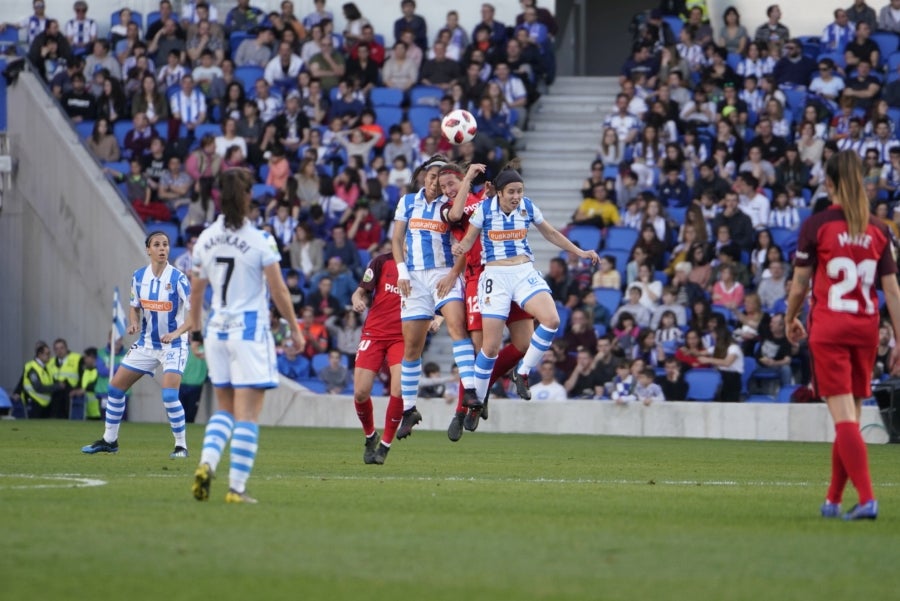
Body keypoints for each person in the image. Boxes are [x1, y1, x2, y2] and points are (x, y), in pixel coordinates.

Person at [786, 150, 900, 521]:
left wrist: (790, 317)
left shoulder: (817, 225)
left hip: (830, 328)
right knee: (848, 413)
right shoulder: (879, 229)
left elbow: (801, 284)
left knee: (844, 419)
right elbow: (893, 291)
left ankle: (867, 499)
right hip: (866, 330)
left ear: (829, 182)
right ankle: (833, 501)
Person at [190, 169, 303, 504]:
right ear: (247, 196)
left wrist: (196, 334)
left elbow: (196, 294)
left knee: (223, 409)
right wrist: (295, 327)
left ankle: (206, 464)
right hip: (249, 332)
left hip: (216, 332)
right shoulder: (260, 239)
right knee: (249, 414)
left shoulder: (205, 239)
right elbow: (279, 288)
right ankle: (236, 488)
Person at [452, 164, 600, 408]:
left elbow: (551, 233)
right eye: (511, 191)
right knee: (489, 349)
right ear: (499, 192)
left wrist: (580, 252)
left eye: (519, 191)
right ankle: (475, 400)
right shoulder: (484, 209)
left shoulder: (527, 207)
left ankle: (522, 372)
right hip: (495, 276)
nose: (516, 196)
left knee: (551, 320)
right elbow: (468, 240)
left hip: (523, 272)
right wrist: (460, 249)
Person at [441, 163, 533, 438]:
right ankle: (461, 410)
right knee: (482, 350)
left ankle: (483, 389)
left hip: (509, 270)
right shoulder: (450, 209)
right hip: (478, 278)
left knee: (523, 343)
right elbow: (462, 229)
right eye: (444, 186)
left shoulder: (487, 199)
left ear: (463, 179)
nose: (448, 189)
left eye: (452, 183)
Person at [81, 232, 193, 457]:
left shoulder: (179, 278)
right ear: (148, 250)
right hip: (147, 344)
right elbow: (134, 306)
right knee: (115, 387)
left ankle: (181, 446)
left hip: (174, 345)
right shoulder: (139, 277)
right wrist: (133, 323)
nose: (162, 248)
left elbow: (194, 315)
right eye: (157, 245)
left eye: (166, 244)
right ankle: (109, 441)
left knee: (170, 395)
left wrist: (176, 333)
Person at [391, 156, 476, 439]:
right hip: (413, 278)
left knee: (456, 327)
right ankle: (409, 409)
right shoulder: (407, 202)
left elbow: (462, 236)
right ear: (423, 176)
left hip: (442, 274)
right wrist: (401, 272)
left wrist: (453, 273)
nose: (434, 180)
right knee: (412, 348)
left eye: (440, 177)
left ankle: (471, 392)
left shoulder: (450, 205)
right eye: (431, 175)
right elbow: (396, 240)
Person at [350, 245, 406, 465]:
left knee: (399, 388)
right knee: (361, 393)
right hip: (374, 333)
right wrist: (357, 300)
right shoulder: (381, 262)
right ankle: (370, 435)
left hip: (402, 337)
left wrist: (437, 318)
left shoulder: (421, 267)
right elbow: (360, 291)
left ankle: (385, 444)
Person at [16, 341, 61, 419]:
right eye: (47, 354)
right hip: (34, 402)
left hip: (45, 403)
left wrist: (57, 385)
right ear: (40, 354)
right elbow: (38, 387)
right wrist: (57, 386)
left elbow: (51, 382)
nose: (49, 356)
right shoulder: (32, 367)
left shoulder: (47, 367)